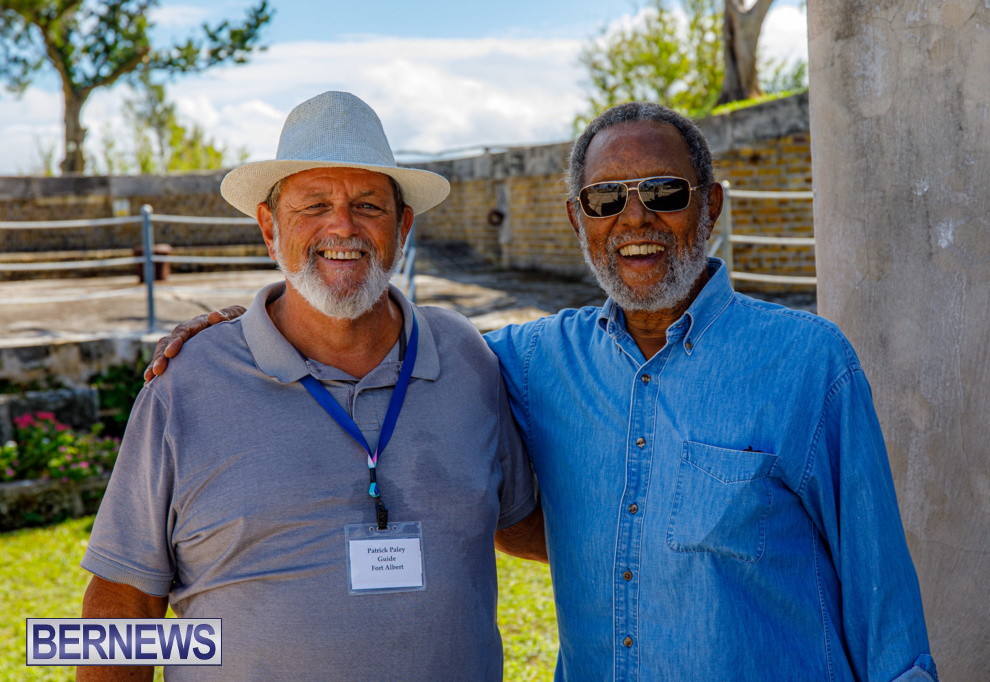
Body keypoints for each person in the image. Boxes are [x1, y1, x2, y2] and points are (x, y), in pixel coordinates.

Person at [148, 101, 938, 681]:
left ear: (712, 205)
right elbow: (110, 608)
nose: (636, 219)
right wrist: (250, 329)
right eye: (607, 199)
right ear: (577, 217)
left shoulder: (809, 364)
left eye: (664, 192)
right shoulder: (184, 395)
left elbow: (886, 613)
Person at [80, 91, 543, 682]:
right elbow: (122, 605)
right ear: (270, 228)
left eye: (369, 205)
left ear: (402, 227)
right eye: (314, 204)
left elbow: (523, 523)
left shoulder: (465, 357)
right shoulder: (187, 384)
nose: (342, 226)